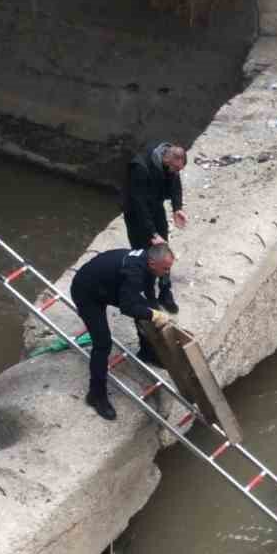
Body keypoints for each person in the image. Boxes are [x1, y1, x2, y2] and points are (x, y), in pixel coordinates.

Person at [71, 243, 174, 421]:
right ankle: (96, 395)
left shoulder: (148, 264)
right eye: (165, 269)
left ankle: (146, 352)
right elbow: (127, 307)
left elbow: (148, 293)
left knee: (144, 310)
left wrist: (154, 310)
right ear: (152, 263)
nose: (167, 273)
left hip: (109, 285)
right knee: (103, 343)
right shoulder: (134, 272)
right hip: (86, 291)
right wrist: (152, 314)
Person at [121, 141, 188, 314]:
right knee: (145, 254)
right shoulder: (140, 167)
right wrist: (152, 233)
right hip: (136, 214)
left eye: (178, 170)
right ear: (166, 160)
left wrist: (177, 208)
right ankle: (149, 293)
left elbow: (174, 184)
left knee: (163, 252)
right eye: (175, 169)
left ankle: (165, 291)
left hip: (155, 207)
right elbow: (139, 204)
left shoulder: (171, 165)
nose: (176, 173)